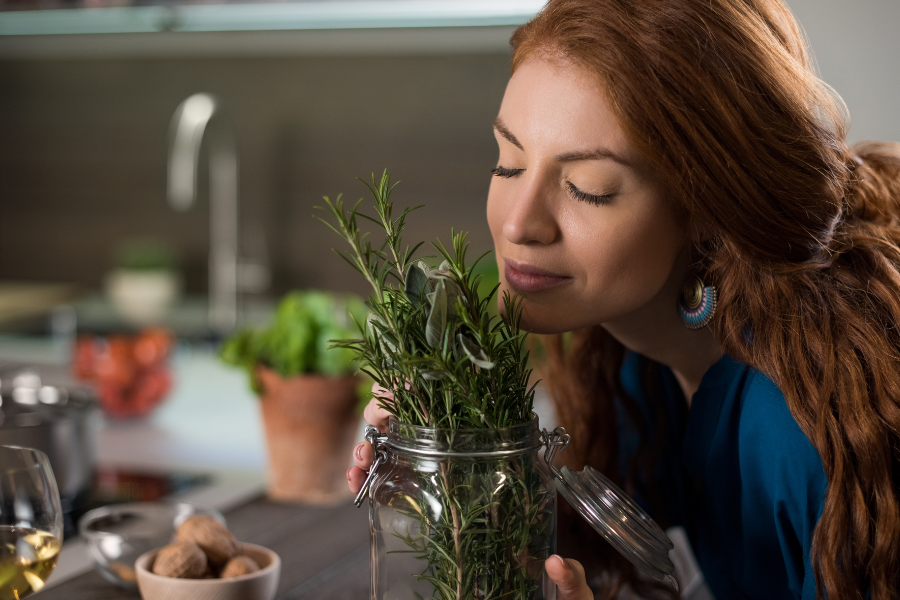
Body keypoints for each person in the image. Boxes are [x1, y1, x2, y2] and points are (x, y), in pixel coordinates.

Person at [348, 0, 900, 598]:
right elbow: (615, 550)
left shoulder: (799, 425)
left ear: (707, 205)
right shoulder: (632, 350)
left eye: (589, 189)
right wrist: (458, 463)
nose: (519, 225)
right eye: (508, 163)